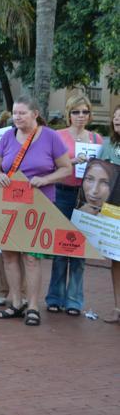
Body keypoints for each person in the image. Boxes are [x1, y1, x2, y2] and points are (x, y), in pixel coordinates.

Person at [0, 95, 71, 326]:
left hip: (39, 205)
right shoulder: (8, 136)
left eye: (22, 113)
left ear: (35, 114)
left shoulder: (50, 136)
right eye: (15, 113)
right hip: (9, 204)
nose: (17, 117)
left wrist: (45, 180)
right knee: (9, 255)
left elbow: (66, 168)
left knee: (32, 257)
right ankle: (16, 303)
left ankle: (33, 306)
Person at [45, 95, 102, 316]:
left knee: (79, 250)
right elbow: (48, 164)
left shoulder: (96, 139)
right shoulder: (57, 136)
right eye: (76, 112)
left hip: (86, 197)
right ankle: (55, 297)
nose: (80, 116)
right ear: (69, 114)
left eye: (85, 112)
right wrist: (70, 163)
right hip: (62, 193)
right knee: (61, 248)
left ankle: (74, 301)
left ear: (90, 115)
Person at [98, 105, 120, 324]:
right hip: (112, 211)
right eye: (115, 117)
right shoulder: (107, 146)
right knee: (116, 260)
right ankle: (117, 307)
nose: (117, 120)